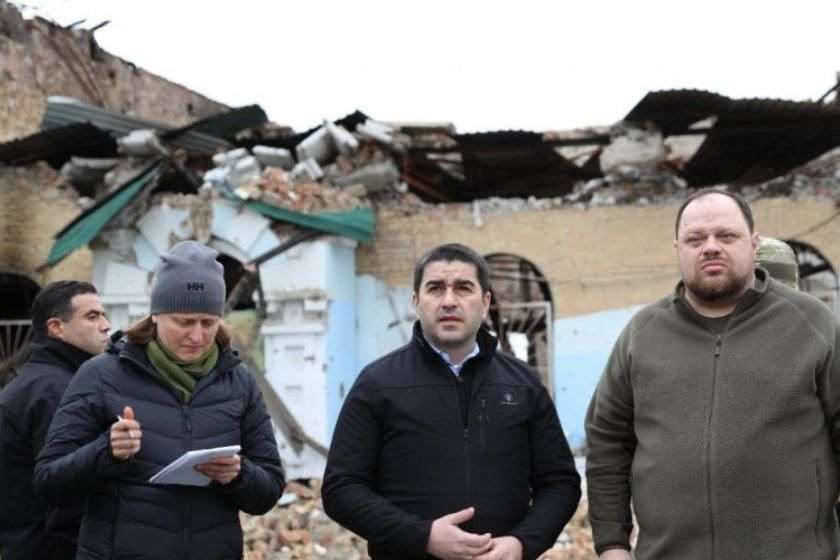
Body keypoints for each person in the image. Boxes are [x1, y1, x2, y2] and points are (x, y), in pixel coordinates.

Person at [585, 188, 840, 560]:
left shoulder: (812, 323)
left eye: (726, 236)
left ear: (753, 243)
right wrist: (612, 545)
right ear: (678, 248)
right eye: (695, 239)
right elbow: (607, 441)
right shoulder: (643, 333)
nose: (710, 247)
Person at [323, 243, 581, 560]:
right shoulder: (378, 384)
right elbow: (341, 488)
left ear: (485, 302)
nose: (448, 301)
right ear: (416, 301)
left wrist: (521, 543)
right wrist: (422, 536)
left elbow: (560, 484)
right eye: (435, 288)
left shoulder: (523, 385)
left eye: (463, 288)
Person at [34, 240, 285, 560]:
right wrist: (106, 452)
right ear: (156, 314)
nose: (197, 336)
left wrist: (238, 475)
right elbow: (49, 483)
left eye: (208, 322)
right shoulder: (100, 375)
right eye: (184, 322)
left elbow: (268, 491)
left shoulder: (238, 381)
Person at [0, 281, 110, 560]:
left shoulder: (38, 379)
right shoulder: (56, 390)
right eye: (92, 316)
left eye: (104, 315)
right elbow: (65, 490)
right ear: (56, 327)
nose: (106, 325)